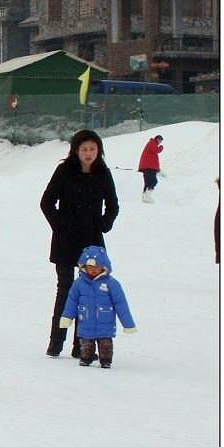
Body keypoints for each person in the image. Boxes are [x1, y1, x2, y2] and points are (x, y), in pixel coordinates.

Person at [40, 129, 119, 359]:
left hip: (92, 243)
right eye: (84, 149)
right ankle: (56, 343)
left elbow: (113, 205)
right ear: (75, 150)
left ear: (98, 151)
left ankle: (81, 347)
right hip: (66, 240)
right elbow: (46, 202)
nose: (88, 153)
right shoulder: (64, 170)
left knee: (88, 295)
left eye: (92, 149)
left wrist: (104, 224)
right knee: (65, 291)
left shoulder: (103, 173)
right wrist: (60, 225)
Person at [59, 245, 137, 369]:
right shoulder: (78, 284)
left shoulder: (111, 284)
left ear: (104, 267)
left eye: (97, 267)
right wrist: (67, 317)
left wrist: (128, 324)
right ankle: (86, 358)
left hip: (105, 323)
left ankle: (105, 360)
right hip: (85, 322)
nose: (93, 270)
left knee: (105, 344)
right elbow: (71, 302)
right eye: (90, 267)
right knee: (86, 344)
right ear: (84, 267)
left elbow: (121, 304)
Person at [138, 134, 164, 203]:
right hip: (148, 167)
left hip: (146, 166)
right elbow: (157, 150)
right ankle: (147, 195)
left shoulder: (151, 143)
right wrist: (161, 147)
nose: (160, 143)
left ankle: (144, 197)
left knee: (147, 182)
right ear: (158, 139)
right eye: (160, 141)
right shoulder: (152, 143)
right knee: (153, 181)